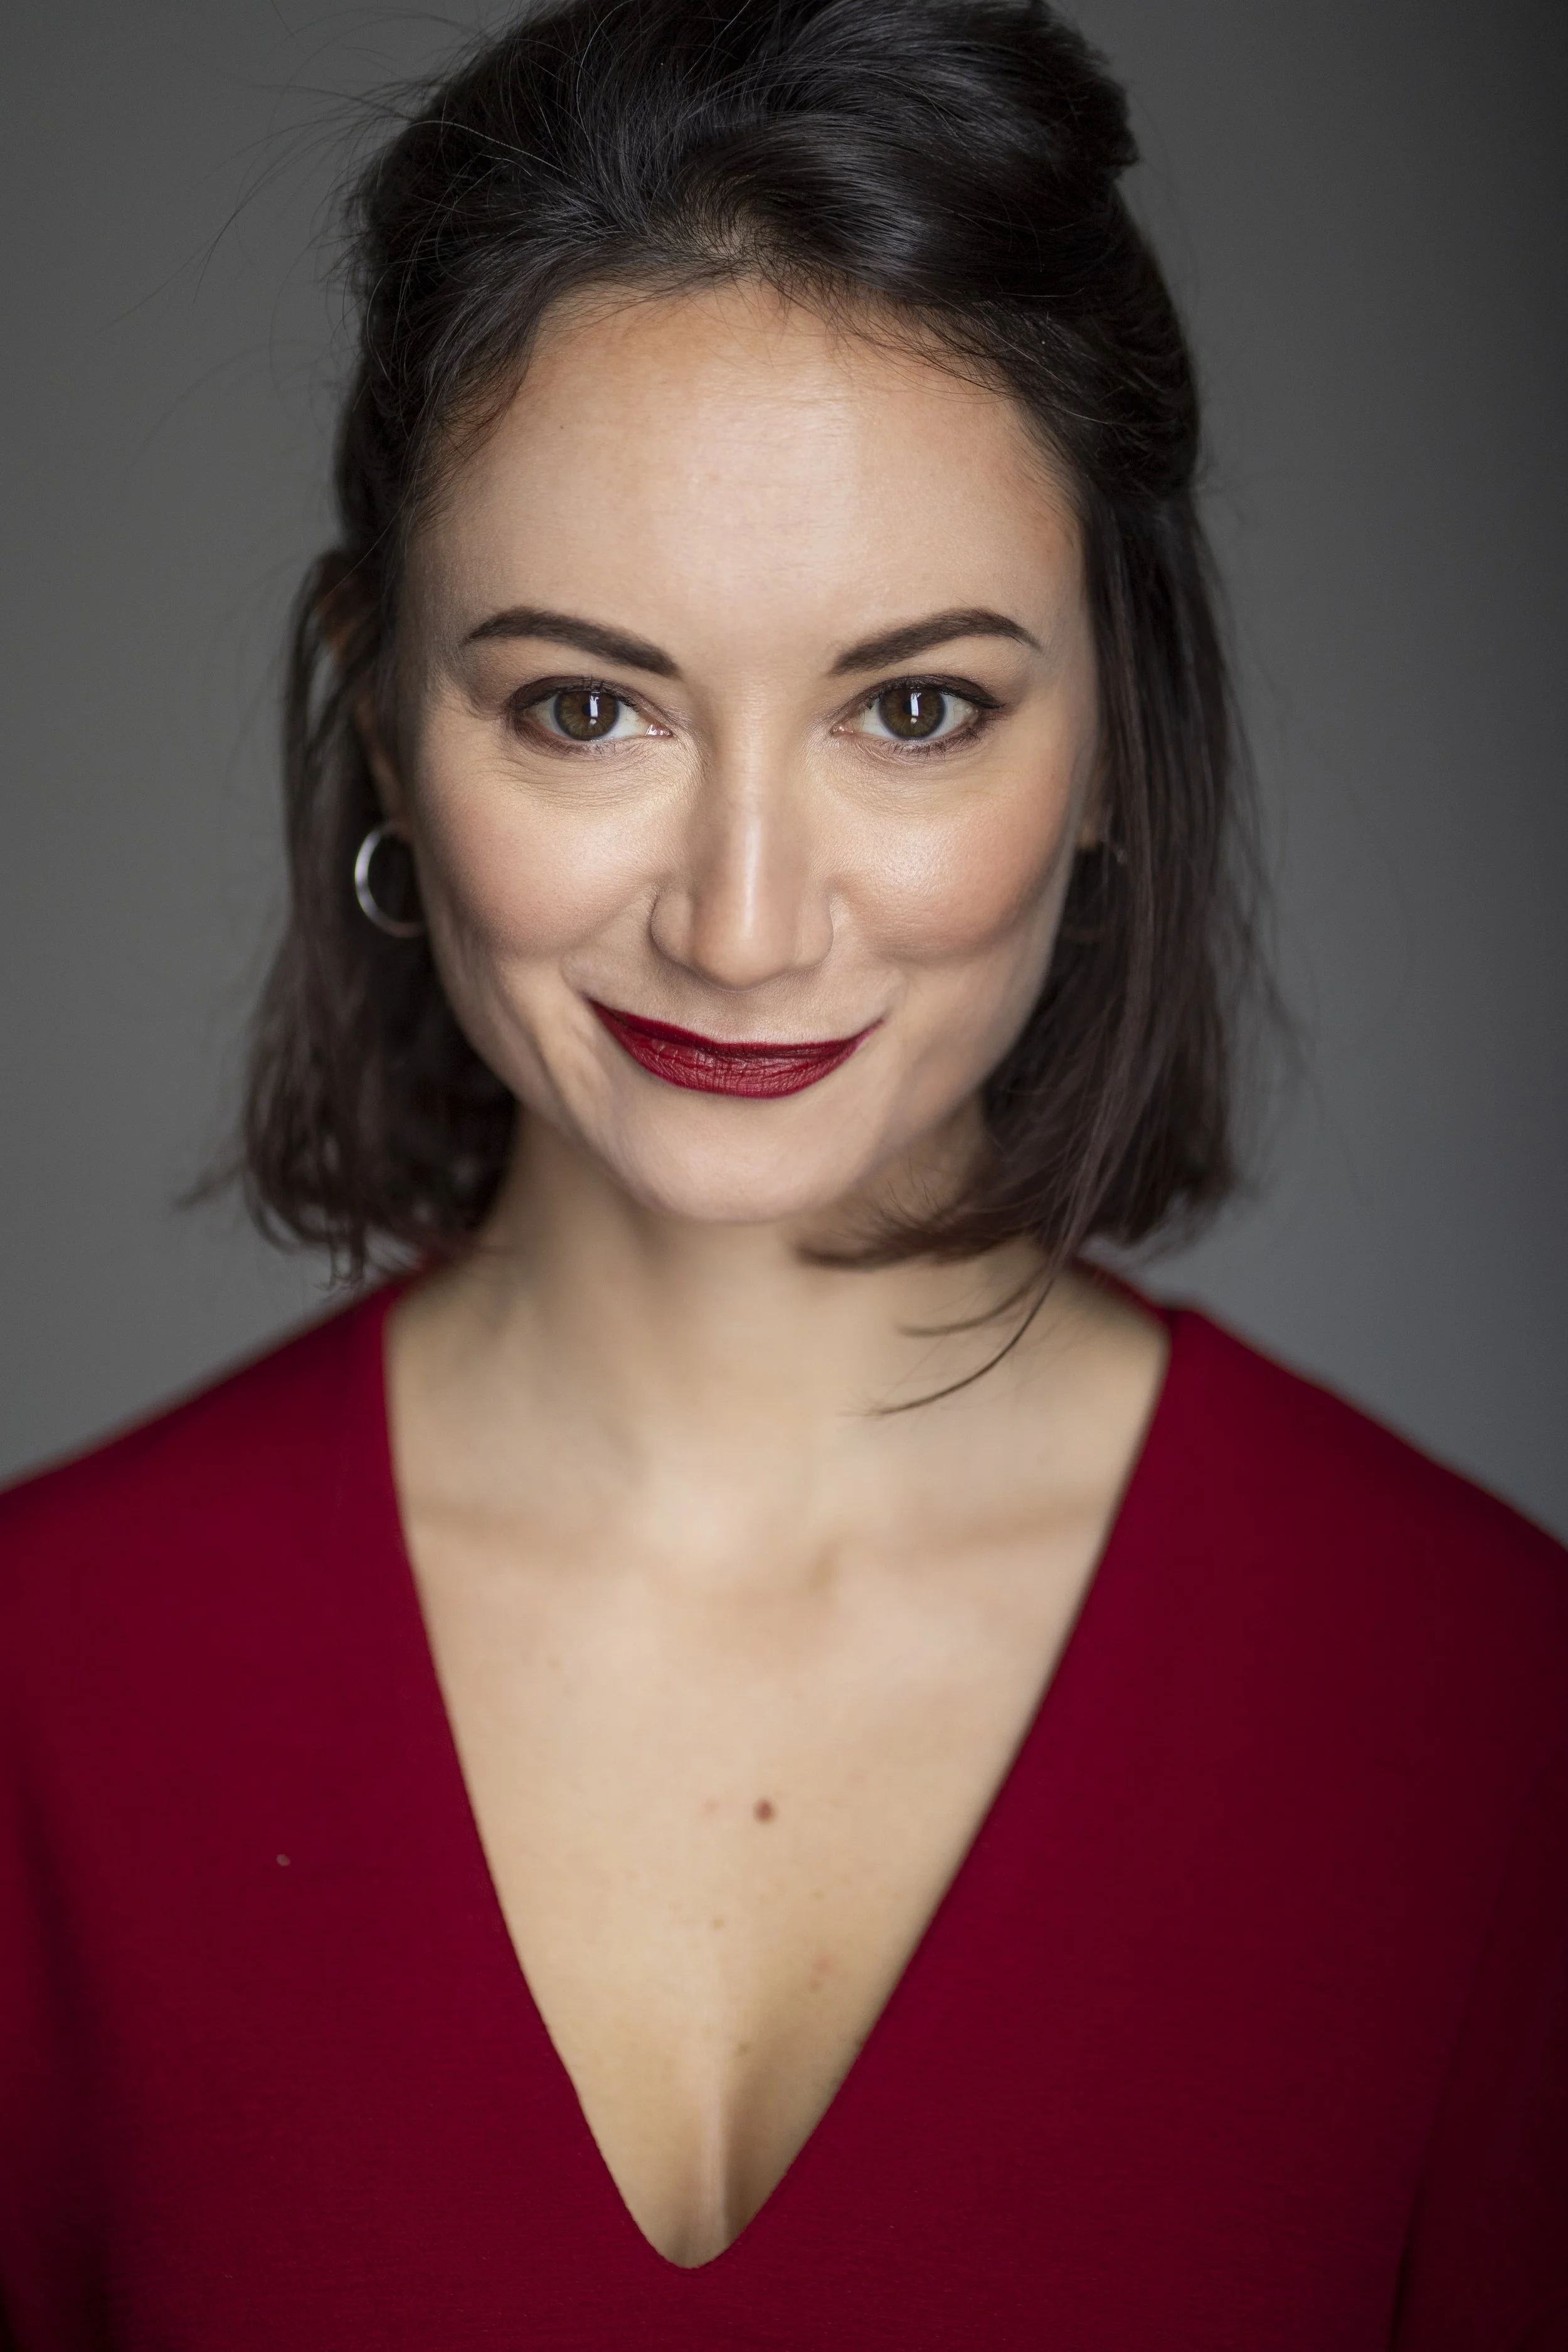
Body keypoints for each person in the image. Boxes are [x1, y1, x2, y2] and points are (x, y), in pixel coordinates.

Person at [1, 0, 1564, 2341]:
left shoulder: (1484, 1716)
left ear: (1112, 738)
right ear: (384, 725)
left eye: (913, 707)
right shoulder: (41, 1685)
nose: (742, 925)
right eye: (583, 705)